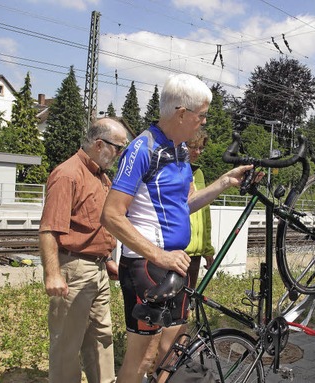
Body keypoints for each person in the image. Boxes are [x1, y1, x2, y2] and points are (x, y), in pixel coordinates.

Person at [101, 73, 254, 383]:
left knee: (172, 353)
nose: (204, 123)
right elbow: (111, 216)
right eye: (202, 116)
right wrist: (160, 255)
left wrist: (225, 182)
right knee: (141, 358)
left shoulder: (180, 150)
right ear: (182, 113)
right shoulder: (142, 149)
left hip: (175, 263)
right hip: (147, 265)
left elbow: (185, 205)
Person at [39, 117, 129, 383]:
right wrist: (53, 274)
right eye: (118, 148)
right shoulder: (68, 174)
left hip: (98, 268)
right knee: (67, 341)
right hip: (74, 269)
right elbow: (49, 229)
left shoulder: (101, 177)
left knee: (101, 336)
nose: (120, 154)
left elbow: (101, 224)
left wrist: (108, 258)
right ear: (99, 144)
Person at [185, 128, 216, 288]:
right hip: (179, 252)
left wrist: (207, 248)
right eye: (193, 147)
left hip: (196, 253)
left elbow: (205, 214)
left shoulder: (199, 174)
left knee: (187, 302)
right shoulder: (172, 172)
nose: (197, 152)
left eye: (201, 148)